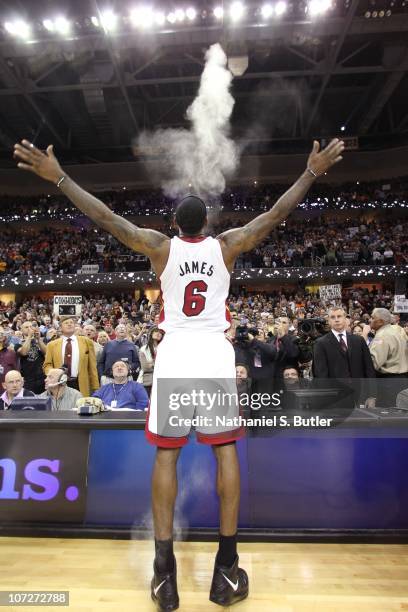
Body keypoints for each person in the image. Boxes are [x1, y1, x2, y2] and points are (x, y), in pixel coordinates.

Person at [14, 135, 344, 610]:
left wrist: (60, 176)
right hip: (212, 354)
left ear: (173, 224)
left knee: (167, 458)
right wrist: (311, 171)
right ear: (208, 225)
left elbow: (105, 217)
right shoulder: (227, 245)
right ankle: (225, 569)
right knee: (225, 453)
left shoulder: (159, 247)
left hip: (173, 358)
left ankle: (163, 574)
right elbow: (275, 214)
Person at [313, 307, 376, 408]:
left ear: (345, 319)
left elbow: (369, 369)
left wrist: (372, 396)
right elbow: (321, 374)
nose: (336, 319)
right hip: (334, 399)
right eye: (333, 317)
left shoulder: (359, 341)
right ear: (328, 321)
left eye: (339, 316)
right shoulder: (321, 343)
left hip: (360, 395)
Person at [43, 316, 99, 397]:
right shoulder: (52, 345)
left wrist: (95, 387)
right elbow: (47, 365)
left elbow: (92, 366)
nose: (69, 324)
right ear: (60, 328)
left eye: (71, 323)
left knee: (80, 407)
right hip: (59, 383)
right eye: (66, 323)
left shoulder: (86, 341)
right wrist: (54, 374)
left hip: (80, 384)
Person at [369, 308, 408, 406]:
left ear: (381, 322)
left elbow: (374, 364)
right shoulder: (398, 329)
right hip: (403, 379)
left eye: (372, 317)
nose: (370, 320)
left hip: (389, 383)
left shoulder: (382, 336)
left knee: (388, 415)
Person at [14, 320, 46, 394]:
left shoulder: (39, 341)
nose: (29, 328)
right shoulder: (18, 344)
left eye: (31, 326)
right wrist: (29, 336)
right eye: (26, 327)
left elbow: (47, 353)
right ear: (21, 331)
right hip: (28, 380)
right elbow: (24, 352)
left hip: (42, 378)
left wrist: (38, 339)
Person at [137, 326, 164, 397]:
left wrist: (151, 363)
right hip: (147, 382)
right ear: (151, 334)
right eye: (156, 331)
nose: (158, 333)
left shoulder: (164, 349)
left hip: (161, 381)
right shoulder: (143, 349)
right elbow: (145, 367)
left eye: (160, 333)